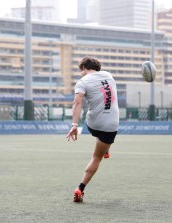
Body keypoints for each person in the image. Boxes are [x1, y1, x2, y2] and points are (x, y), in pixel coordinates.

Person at [66, 56, 119, 202]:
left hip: (93, 125)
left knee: (96, 152)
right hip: (111, 125)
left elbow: (77, 103)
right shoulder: (109, 75)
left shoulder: (82, 82)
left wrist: (74, 125)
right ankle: (80, 188)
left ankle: (80, 189)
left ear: (83, 68)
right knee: (98, 156)